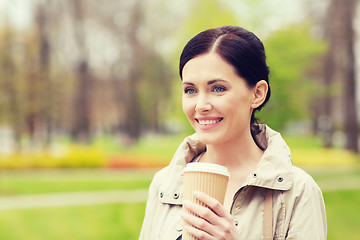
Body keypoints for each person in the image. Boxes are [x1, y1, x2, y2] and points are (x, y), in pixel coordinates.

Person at [139, 26, 327, 240]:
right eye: (190, 90)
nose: (200, 105)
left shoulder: (298, 192)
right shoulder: (164, 184)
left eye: (218, 88)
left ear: (257, 94)